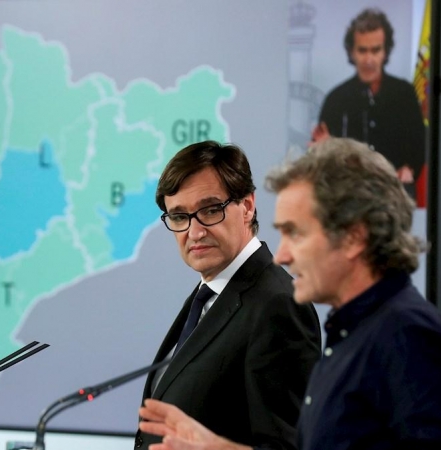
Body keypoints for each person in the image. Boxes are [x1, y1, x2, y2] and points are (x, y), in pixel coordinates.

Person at [138, 138, 441, 450]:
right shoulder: (352, 333)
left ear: (354, 236)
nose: (282, 255)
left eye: (296, 233)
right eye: (180, 216)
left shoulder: (409, 334)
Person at [134, 141, 322, 450]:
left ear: (247, 206)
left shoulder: (277, 305)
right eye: (179, 217)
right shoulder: (208, 294)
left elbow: (287, 445)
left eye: (210, 210)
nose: (194, 232)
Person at [312, 8, 425, 197]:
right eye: (362, 50)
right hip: (348, 198)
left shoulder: (404, 94)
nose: (369, 59)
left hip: (396, 196)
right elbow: (322, 155)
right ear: (352, 52)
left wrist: (409, 169)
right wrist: (325, 148)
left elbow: (419, 144)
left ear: (385, 52)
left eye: (376, 50)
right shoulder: (336, 99)